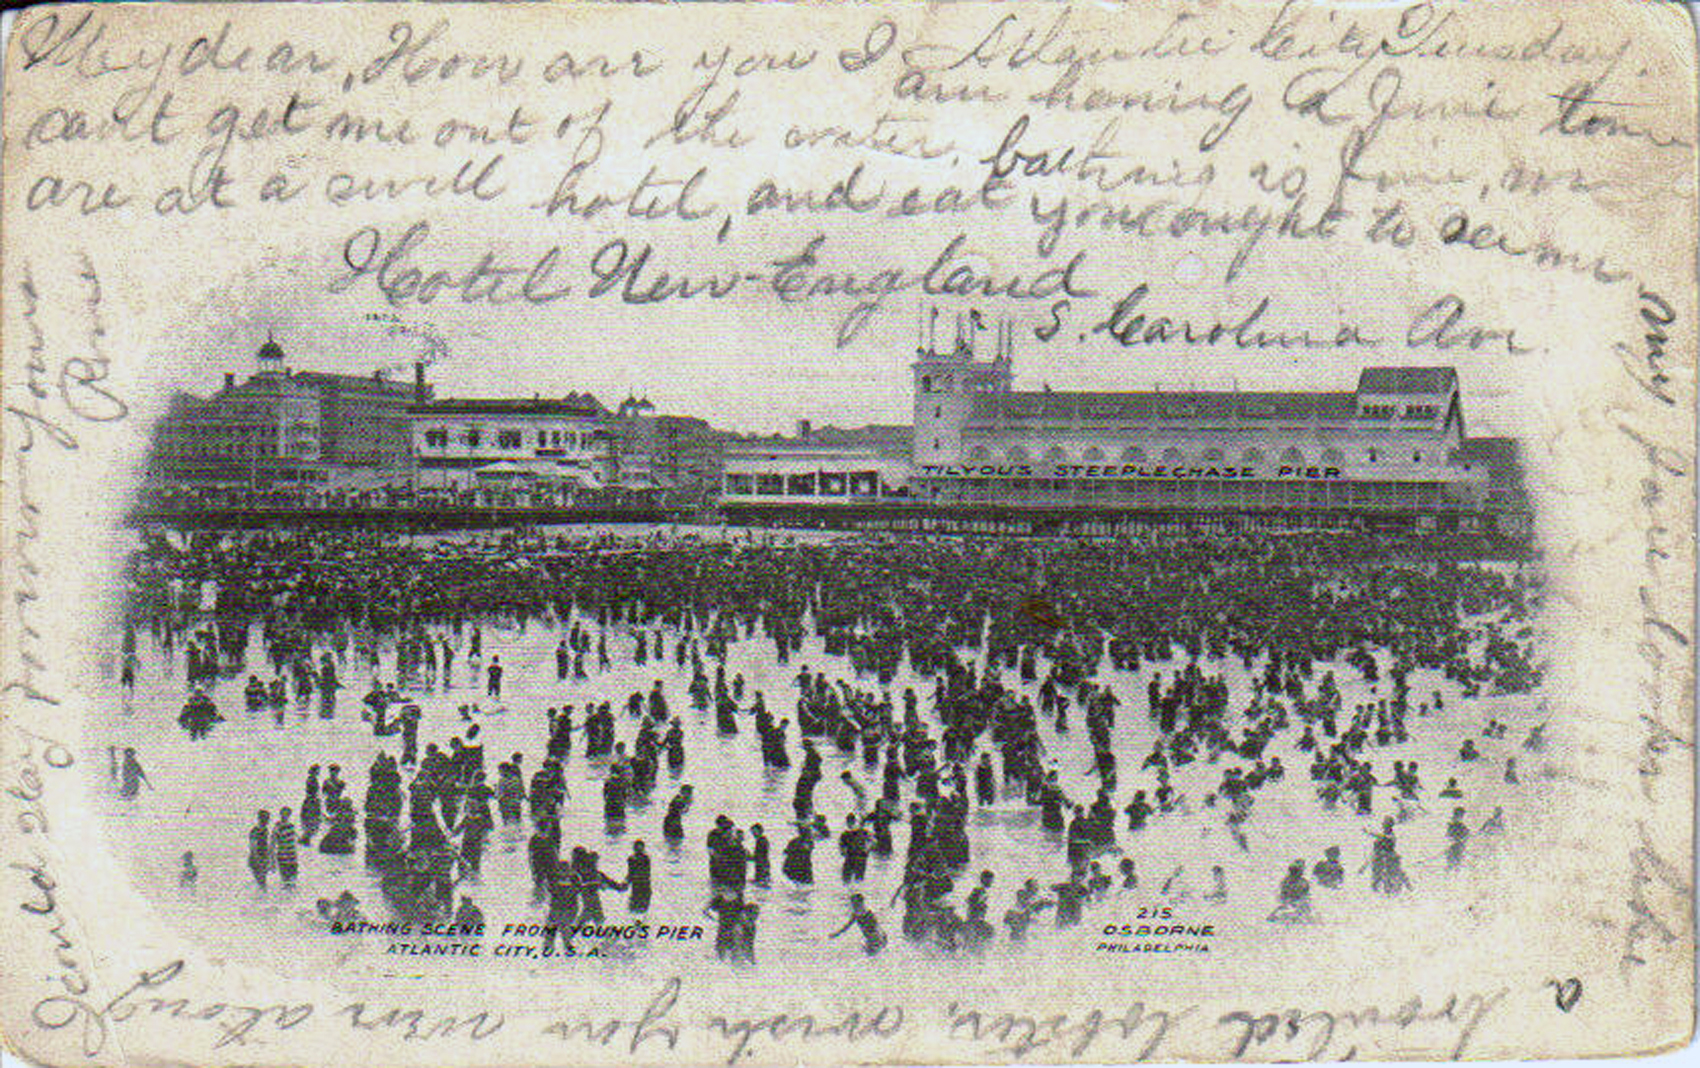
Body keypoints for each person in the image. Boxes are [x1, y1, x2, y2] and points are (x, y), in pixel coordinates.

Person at [273, 808, 299, 887]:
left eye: (286, 814)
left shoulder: (291, 826)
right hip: (283, 854)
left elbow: (295, 839)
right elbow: (273, 841)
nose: (284, 816)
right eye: (283, 814)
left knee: (293, 877)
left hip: (291, 854)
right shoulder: (278, 827)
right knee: (285, 878)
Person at [247, 810, 273, 889]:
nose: (266, 821)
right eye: (264, 819)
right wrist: (257, 858)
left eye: (267, 819)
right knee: (260, 882)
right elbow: (253, 846)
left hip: (263, 857)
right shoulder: (256, 831)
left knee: (262, 882)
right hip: (257, 858)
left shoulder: (265, 830)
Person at [627, 840, 652, 914]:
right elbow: (630, 872)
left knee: (639, 907)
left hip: (642, 884)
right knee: (638, 907)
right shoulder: (633, 858)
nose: (639, 849)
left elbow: (647, 872)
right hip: (639, 884)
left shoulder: (645, 858)